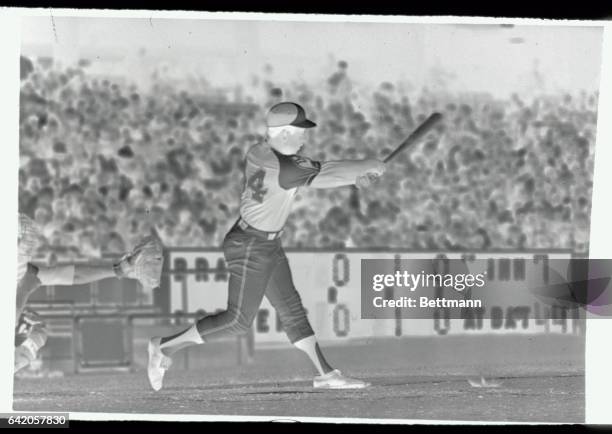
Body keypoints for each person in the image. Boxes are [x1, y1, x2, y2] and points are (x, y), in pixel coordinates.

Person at [147, 102, 386, 390]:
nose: (305, 137)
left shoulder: (260, 152)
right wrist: (371, 165)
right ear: (284, 134)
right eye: (300, 132)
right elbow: (327, 172)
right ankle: (163, 346)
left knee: (292, 310)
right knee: (237, 320)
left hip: (263, 242)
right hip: (251, 245)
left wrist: (354, 179)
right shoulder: (285, 165)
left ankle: (325, 374)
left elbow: (319, 176)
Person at [15, 213, 160, 373]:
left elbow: (69, 275)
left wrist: (119, 269)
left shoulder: (21, 269)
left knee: (35, 327)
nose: (25, 248)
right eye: (21, 243)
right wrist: (24, 289)